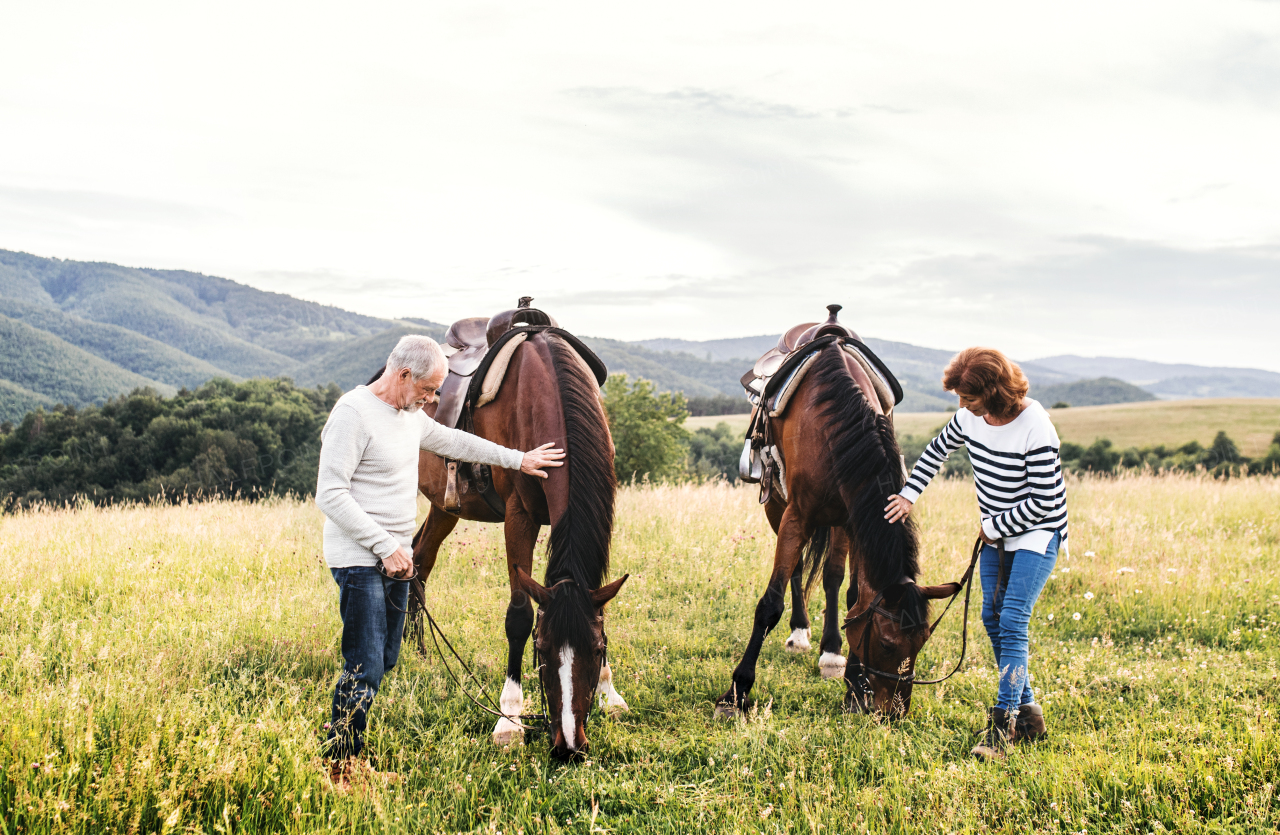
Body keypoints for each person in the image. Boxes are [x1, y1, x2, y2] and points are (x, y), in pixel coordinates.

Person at [315, 334, 564, 789]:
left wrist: (520, 459)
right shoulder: (352, 413)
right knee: (365, 664)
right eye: (429, 390)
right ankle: (339, 766)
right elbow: (329, 493)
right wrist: (384, 546)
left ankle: (349, 757)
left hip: (393, 557)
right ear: (403, 375)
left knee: (386, 657)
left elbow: (458, 442)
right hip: (360, 559)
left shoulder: (410, 416)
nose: (433, 400)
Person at [883, 347, 1067, 760]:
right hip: (998, 534)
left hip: (1037, 534)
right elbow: (936, 451)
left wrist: (993, 526)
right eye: (960, 399)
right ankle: (1030, 711)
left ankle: (1004, 727)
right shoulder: (969, 416)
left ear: (996, 390)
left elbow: (1044, 502)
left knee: (1013, 619)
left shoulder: (1036, 426)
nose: (963, 407)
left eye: (970, 398)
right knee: (991, 616)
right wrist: (910, 494)